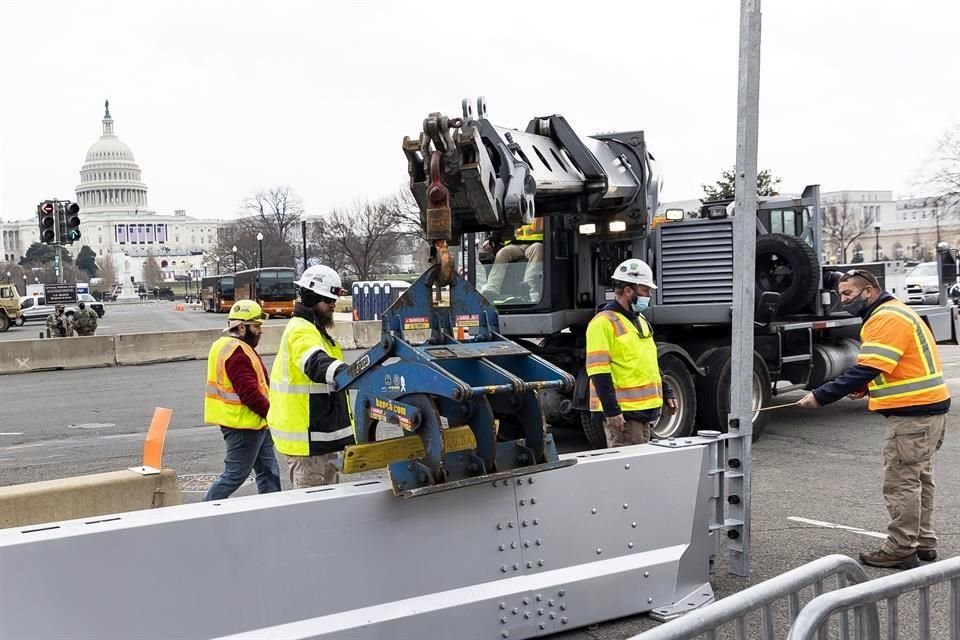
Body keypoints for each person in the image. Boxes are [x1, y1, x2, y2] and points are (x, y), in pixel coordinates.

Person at [798, 269, 950, 570]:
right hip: (928, 409)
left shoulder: (885, 318)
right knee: (919, 478)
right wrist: (865, 388)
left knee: (901, 483)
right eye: (841, 295)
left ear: (868, 292)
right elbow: (894, 365)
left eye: (848, 294)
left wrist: (821, 395)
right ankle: (922, 541)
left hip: (912, 414)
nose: (843, 300)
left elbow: (867, 367)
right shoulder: (897, 311)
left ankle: (901, 548)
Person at [267, 265, 354, 488]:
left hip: (319, 437)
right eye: (329, 301)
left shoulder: (315, 330)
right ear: (312, 298)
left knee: (327, 504)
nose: (333, 306)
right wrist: (352, 374)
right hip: (307, 441)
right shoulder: (301, 329)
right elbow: (315, 363)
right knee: (310, 510)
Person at [585, 258, 677, 446]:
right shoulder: (602, 323)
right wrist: (611, 411)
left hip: (644, 412)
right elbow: (598, 372)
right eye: (644, 290)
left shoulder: (640, 320)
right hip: (624, 415)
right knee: (629, 473)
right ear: (628, 291)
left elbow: (648, 362)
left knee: (641, 471)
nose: (649, 295)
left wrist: (666, 391)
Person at [203, 299, 281, 500]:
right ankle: (202, 512)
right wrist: (273, 415)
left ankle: (273, 512)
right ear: (241, 327)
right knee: (234, 476)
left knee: (268, 472)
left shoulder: (231, 347)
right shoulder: (237, 353)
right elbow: (249, 394)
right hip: (243, 426)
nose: (260, 331)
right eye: (256, 326)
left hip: (255, 424)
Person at [479, 219, 544, 303]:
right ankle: (491, 290)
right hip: (517, 244)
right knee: (502, 253)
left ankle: (528, 288)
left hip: (536, 243)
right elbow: (502, 225)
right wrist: (490, 239)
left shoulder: (542, 212)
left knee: (538, 248)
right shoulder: (517, 210)